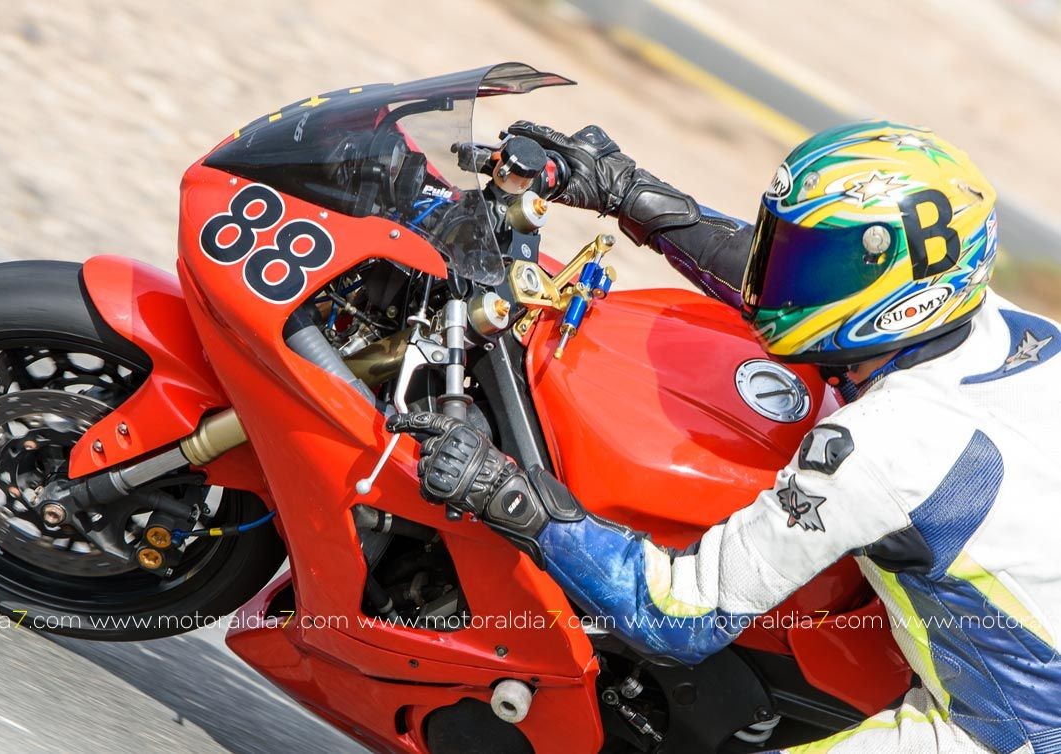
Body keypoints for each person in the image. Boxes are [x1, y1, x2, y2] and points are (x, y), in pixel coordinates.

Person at [387, 120, 1061, 753]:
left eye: (815, 266)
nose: (784, 279)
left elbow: (678, 614)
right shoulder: (1021, 334)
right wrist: (628, 191)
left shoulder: (883, 447)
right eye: (788, 250)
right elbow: (784, 294)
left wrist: (506, 494)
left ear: (904, 297)